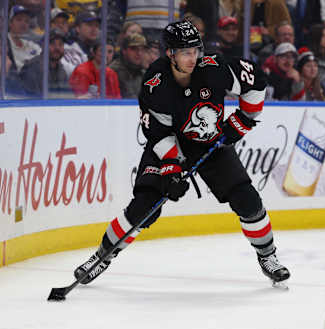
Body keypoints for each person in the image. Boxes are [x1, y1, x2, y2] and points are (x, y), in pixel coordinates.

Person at [73, 20, 290, 286]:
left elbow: (256, 81)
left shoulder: (215, 68)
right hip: (170, 143)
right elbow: (158, 133)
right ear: (170, 54)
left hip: (209, 142)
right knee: (145, 208)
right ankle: (101, 257)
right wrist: (172, 167)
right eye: (185, 52)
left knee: (248, 201)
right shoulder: (155, 83)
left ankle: (268, 256)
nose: (192, 58)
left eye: (195, 50)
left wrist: (243, 119)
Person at [19, 29, 71, 97]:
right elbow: (31, 101)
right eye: (52, 44)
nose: (57, 48)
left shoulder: (61, 69)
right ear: (43, 45)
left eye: (60, 44)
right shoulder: (32, 67)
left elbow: (66, 97)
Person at [62, 10, 100, 77]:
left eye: (96, 25)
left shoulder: (99, 50)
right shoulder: (67, 48)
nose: (94, 29)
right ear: (78, 29)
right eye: (89, 25)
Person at [109, 33, 147, 98]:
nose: (139, 53)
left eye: (142, 49)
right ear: (124, 50)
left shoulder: (143, 72)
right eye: (134, 49)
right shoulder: (113, 71)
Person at [7, 5, 41, 73]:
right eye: (19, 19)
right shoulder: (3, 42)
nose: (23, 23)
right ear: (10, 23)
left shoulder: (32, 45)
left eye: (27, 21)